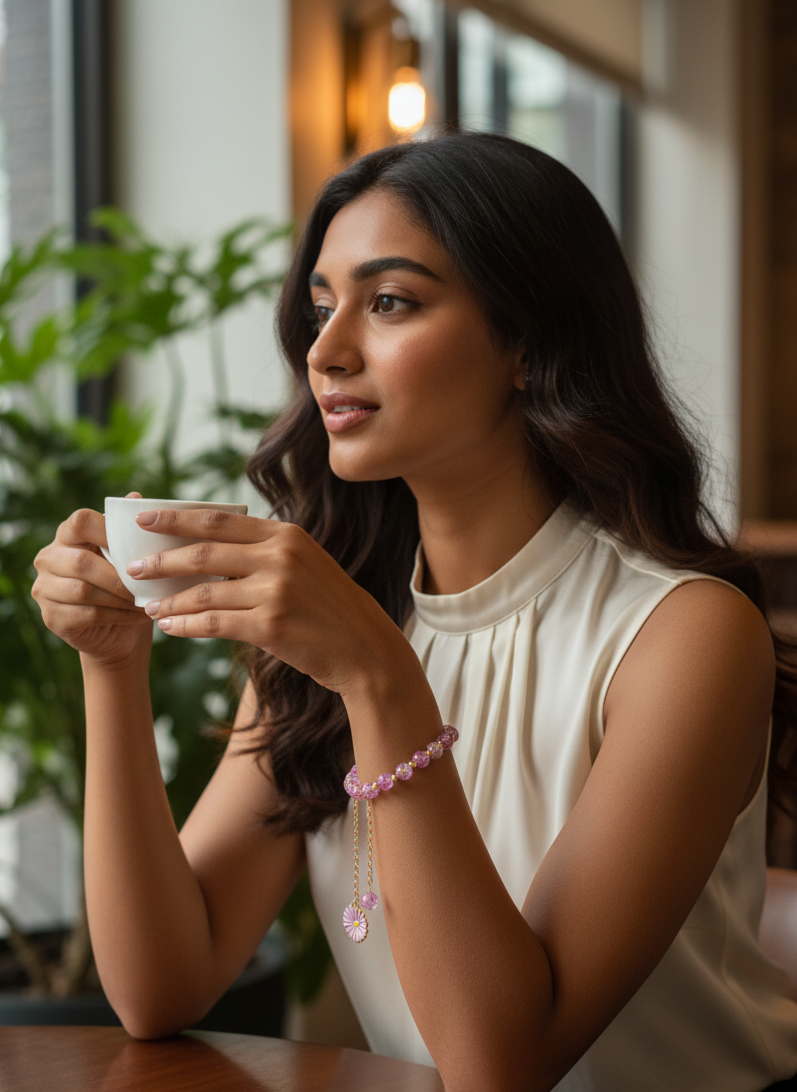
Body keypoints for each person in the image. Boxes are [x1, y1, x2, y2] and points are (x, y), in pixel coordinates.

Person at [31, 133, 797, 1092]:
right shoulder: (339, 614)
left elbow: (500, 1065)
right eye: (321, 308)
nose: (326, 351)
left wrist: (378, 675)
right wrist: (111, 664)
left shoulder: (684, 635)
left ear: (527, 343)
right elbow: (161, 987)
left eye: (389, 301)